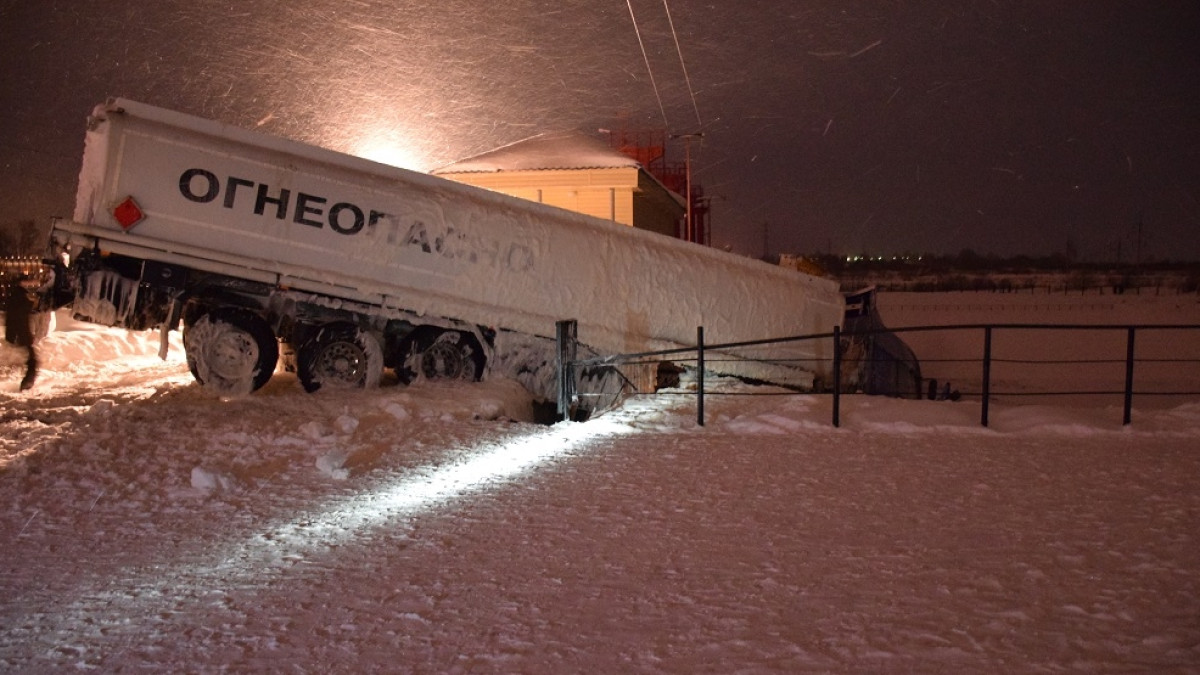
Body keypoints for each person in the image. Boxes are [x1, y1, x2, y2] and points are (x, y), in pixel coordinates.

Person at [4, 273, 38, 390]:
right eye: (26, 281)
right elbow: (16, 313)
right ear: (21, 282)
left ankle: (27, 381)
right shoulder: (19, 294)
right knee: (32, 359)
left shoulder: (17, 293)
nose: (29, 283)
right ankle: (27, 383)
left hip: (21, 329)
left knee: (32, 358)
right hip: (21, 330)